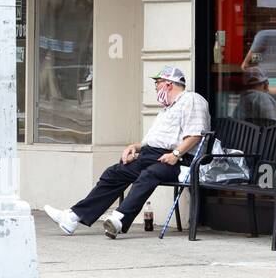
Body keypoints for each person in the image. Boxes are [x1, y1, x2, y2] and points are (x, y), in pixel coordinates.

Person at [43, 66, 208, 240]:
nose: (156, 87)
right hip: (153, 155)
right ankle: (72, 217)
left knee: (150, 173)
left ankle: (119, 219)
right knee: (115, 172)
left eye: (157, 83)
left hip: (181, 160)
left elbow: (196, 134)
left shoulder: (192, 100)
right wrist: (136, 147)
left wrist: (175, 154)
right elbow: (157, 140)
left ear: (169, 84)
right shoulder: (167, 108)